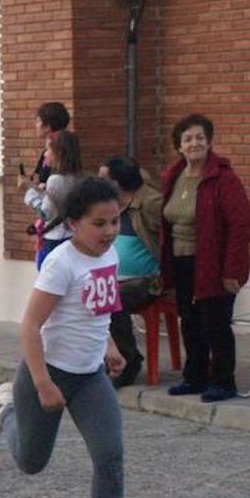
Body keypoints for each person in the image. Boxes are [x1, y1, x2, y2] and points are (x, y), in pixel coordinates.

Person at [0, 176, 141, 498]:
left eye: (115, 221)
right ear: (73, 224)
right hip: (47, 373)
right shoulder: (61, 263)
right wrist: (42, 383)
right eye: (100, 224)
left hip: (90, 377)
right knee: (32, 462)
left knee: (110, 456)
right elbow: (30, 326)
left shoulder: (110, 256)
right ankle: (6, 409)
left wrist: (109, 346)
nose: (110, 232)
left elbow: (96, 310)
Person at [160, 113, 250, 403]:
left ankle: (223, 382)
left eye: (200, 137)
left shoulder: (223, 178)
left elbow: (242, 224)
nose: (194, 143)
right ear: (179, 146)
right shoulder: (173, 177)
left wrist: (232, 271)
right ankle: (195, 377)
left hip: (213, 264)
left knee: (215, 323)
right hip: (181, 262)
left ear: (209, 141)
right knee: (189, 321)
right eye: (188, 138)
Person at [99, 156, 164, 386]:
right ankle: (103, 360)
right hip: (115, 277)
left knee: (111, 299)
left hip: (150, 280)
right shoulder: (111, 206)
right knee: (86, 295)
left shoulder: (150, 203)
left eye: (103, 179)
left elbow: (171, 240)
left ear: (118, 182)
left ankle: (129, 361)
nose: (99, 183)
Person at [24, 130, 82, 268]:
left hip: (55, 238)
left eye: (48, 149)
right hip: (73, 237)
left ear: (59, 153)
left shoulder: (55, 180)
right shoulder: (78, 178)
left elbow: (45, 214)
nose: (45, 154)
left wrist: (30, 193)